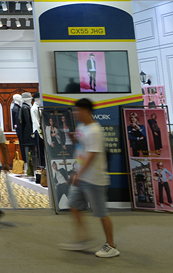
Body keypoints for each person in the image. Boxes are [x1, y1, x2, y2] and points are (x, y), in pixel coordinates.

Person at [60, 98, 118, 258]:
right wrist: (74, 138)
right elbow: (82, 147)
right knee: (73, 206)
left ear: (87, 111)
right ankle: (83, 238)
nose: (76, 113)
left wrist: (79, 173)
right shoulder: (82, 127)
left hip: (94, 179)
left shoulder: (94, 130)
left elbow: (92, 154)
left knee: (101, 213)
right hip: (82, 177)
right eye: (75, 110)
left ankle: (111, 245)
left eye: (78, 110)